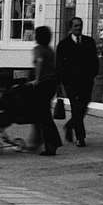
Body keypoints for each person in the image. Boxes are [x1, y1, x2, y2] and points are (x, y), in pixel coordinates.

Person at [56, 16, 99, 147]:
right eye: (76, 26)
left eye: (80, 25)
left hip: (86, 82)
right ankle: (81, 137)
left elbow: (94, 60)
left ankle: (69, 126)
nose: (78, 28)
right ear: (71, 28)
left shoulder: (89, 41)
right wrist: (61, 83)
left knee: (83, 107)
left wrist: (92, 75)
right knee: (76, 108)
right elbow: (59, 65)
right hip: (71, 83)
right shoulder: (63, 44)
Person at [30, 25, 62, 156]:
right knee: (43, 113)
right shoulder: (50, 50)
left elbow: (39, 62)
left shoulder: (38, 49)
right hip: (51, 84)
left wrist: (36, 79)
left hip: (42, 84)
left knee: (44, 115)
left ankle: (51, 143)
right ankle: (40, 141)